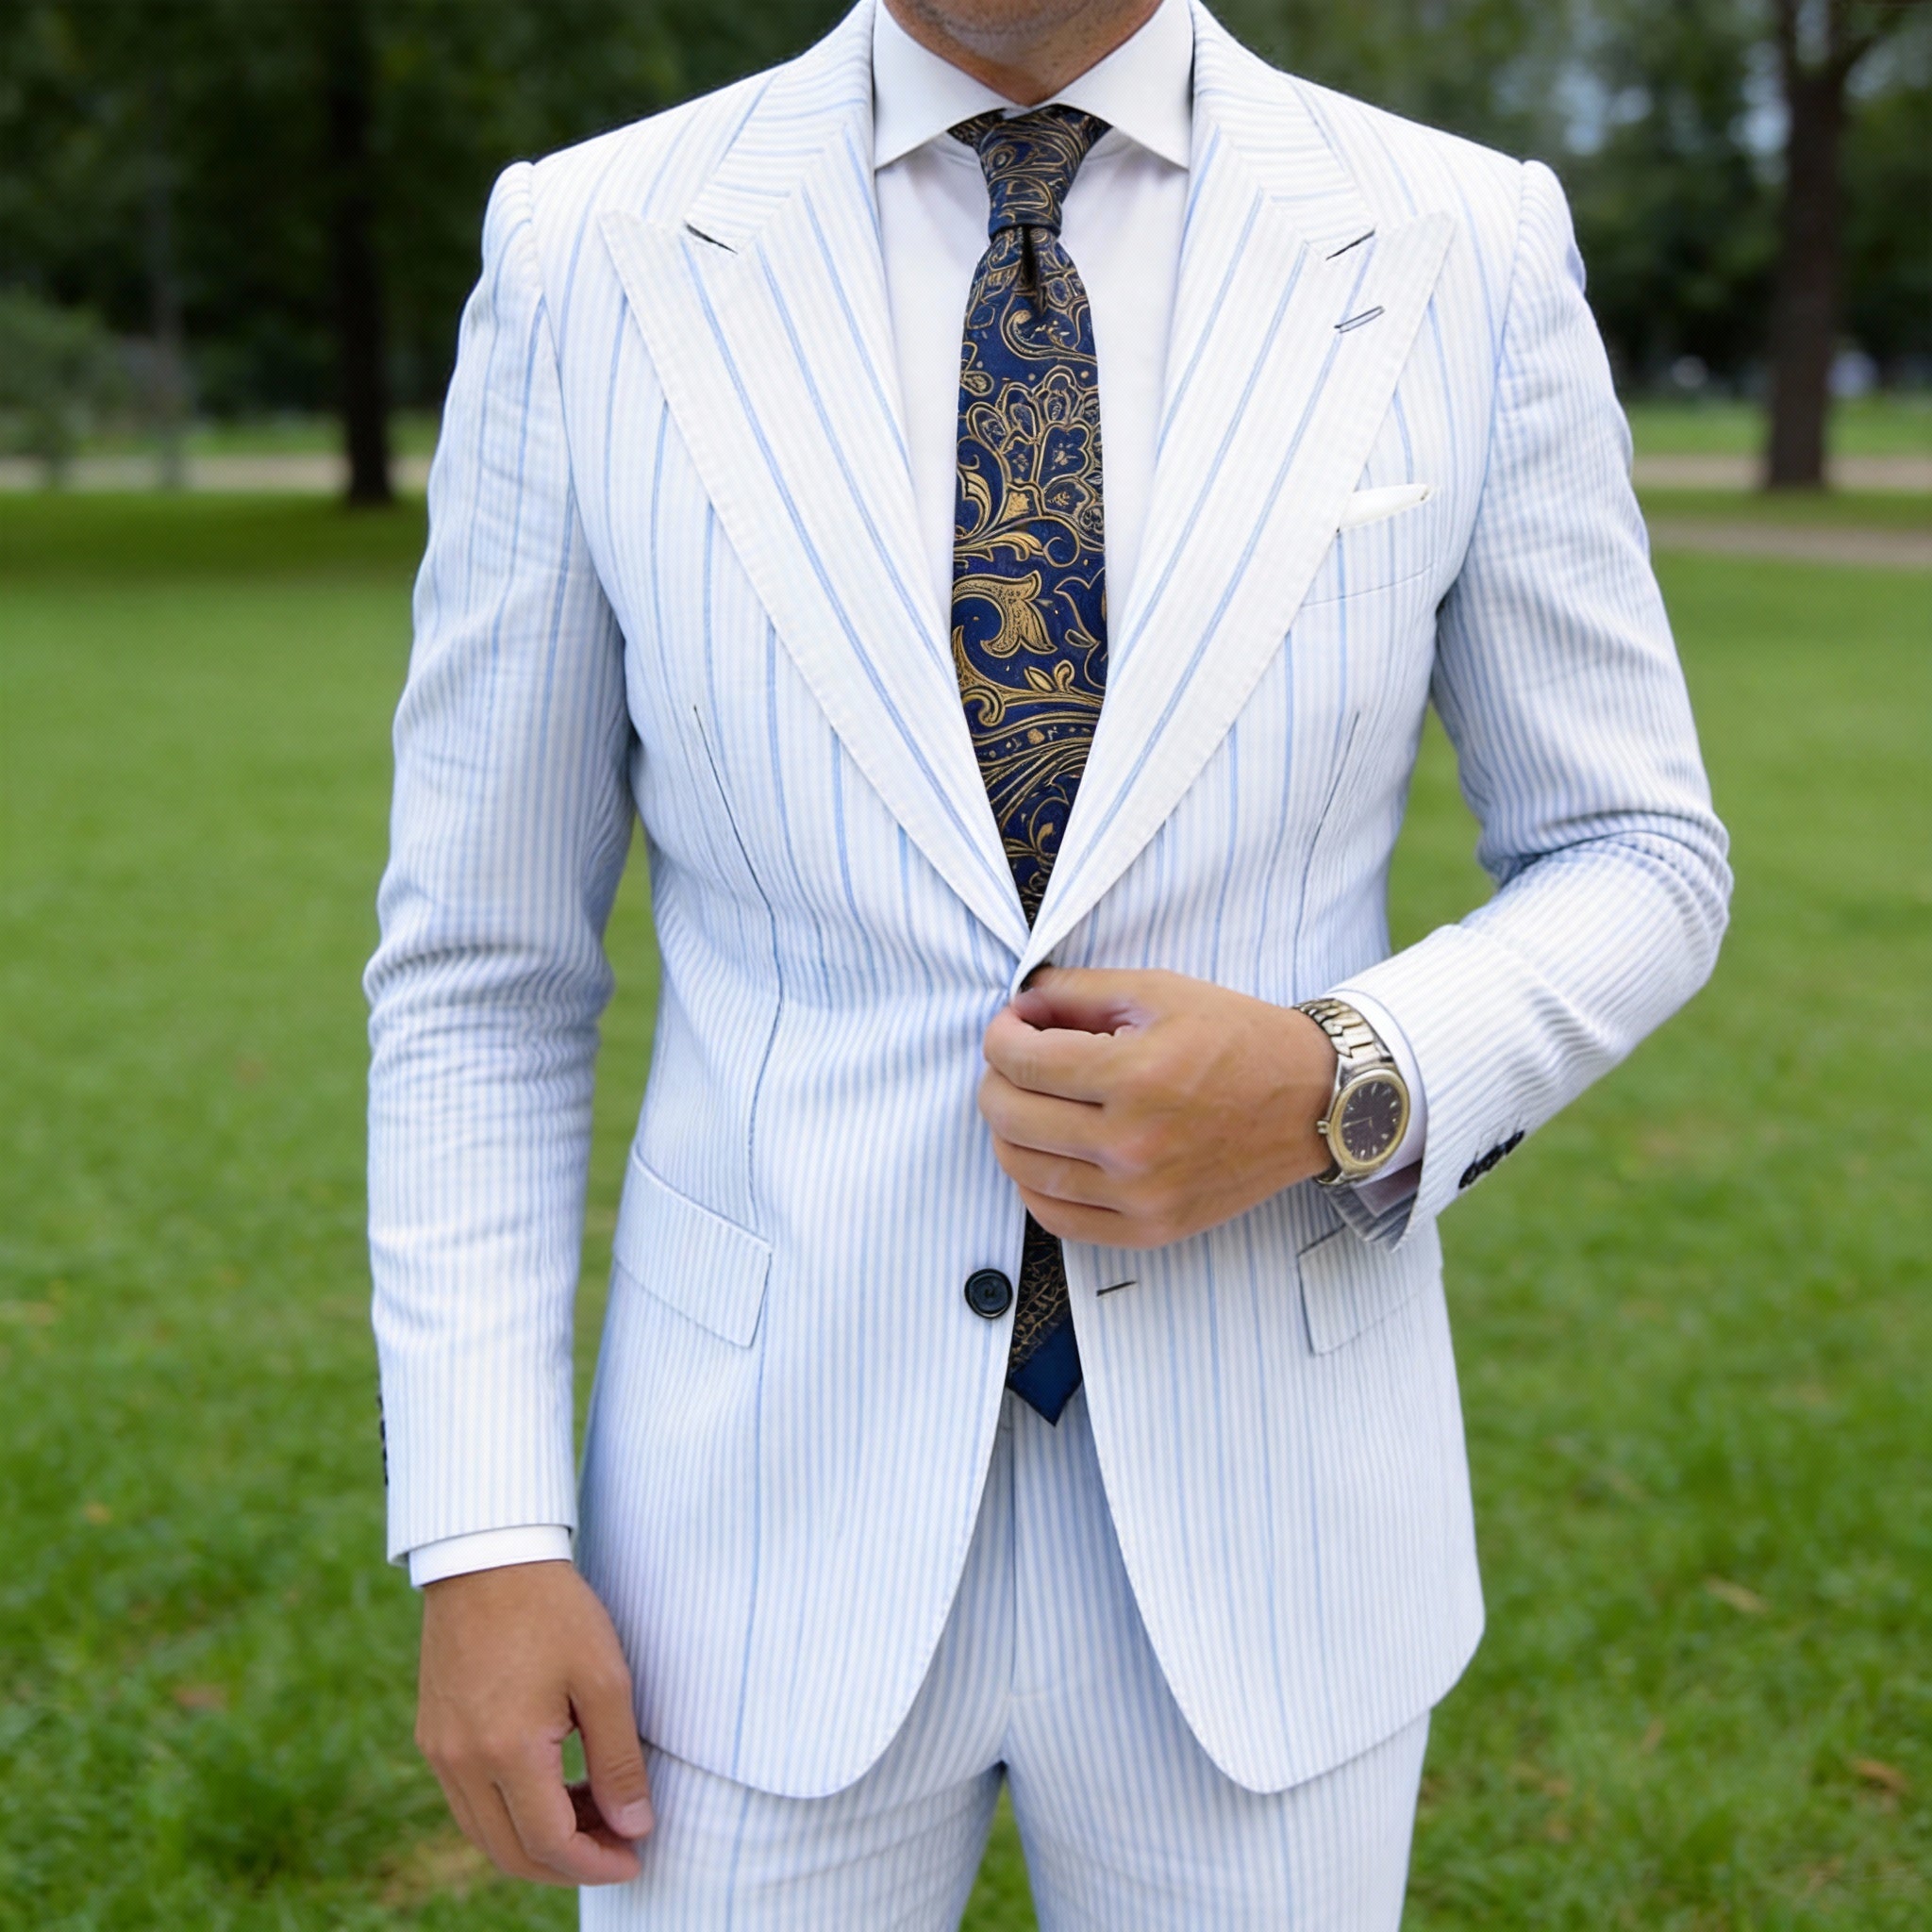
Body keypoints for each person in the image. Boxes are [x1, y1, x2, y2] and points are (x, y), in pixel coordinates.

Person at [364, 0, 1730, 1921]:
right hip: (746, 1544)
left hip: (1276, 1532)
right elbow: (482, 970)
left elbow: (1636, 850)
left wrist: (1338, 1075)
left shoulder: (1459, 240)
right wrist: (482, 1529)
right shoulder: (591, 247)